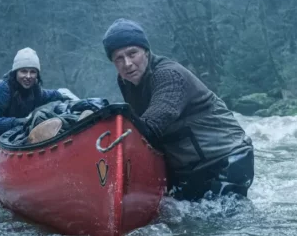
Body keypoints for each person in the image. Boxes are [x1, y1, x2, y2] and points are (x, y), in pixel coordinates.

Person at [102, 18, 254, 201]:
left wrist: (108, 129)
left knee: (222, 222)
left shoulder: (169, 75)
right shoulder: (126, 81)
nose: (127, 63)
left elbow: (150, 127)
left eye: (132, 53)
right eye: (118, 58)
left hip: (226, 159)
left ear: (146, 52)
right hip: (190, 167)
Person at [0, 48, 70, 141]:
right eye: (23, 71)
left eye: (33, 72)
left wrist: (62, 94)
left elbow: (46, 95)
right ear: (15, 72)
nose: (28, 76)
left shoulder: (34, 90)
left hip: (13, 140)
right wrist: (21, 121)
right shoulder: (2, 88)